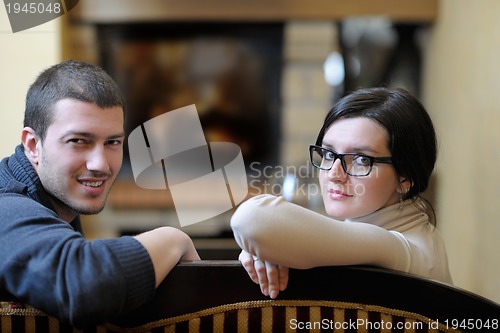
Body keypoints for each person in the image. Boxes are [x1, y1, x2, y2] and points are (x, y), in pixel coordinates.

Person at [0, 60, 200, 327]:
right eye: (79, 141)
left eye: (112, 142)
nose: (101, 164)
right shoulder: (6, 204)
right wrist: (174, 238)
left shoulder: (56, 201)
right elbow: (80, 287)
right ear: (33, 145)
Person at [231, 87, 452, 299]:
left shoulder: (402, 249)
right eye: (328, 154)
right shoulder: (421, 233)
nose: (334, 174)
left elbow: (250, 219)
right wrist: (266, 250)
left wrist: (262, 243)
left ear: (405, 178)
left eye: (361, 159)